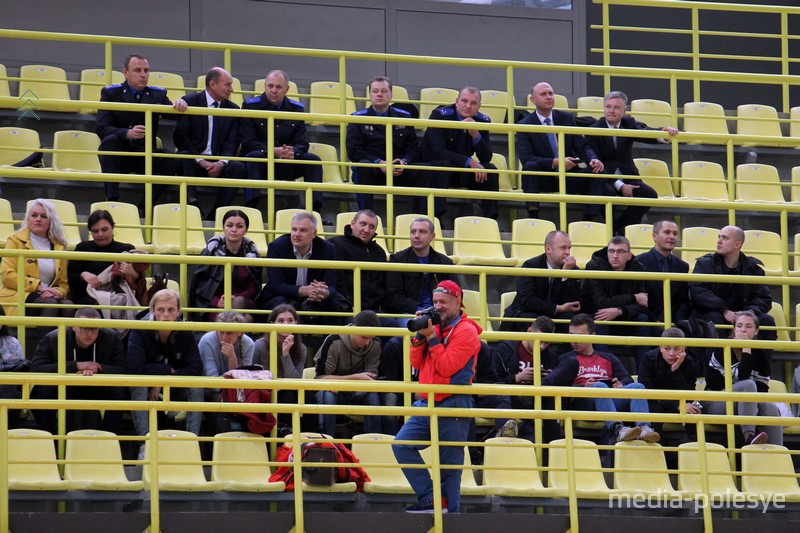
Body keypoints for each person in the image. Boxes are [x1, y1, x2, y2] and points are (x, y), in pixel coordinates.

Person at [392, 280, 480, 514]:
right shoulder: (436, 327)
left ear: (458, 302)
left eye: (443, 302)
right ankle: (431, 498)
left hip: (453, 403)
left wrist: (432, 337)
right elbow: (416, 363)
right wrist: (421, 337)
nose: (438, 307)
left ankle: (451, 515)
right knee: (402, 445)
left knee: (449, 468)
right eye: (435, 302)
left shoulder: (467, 330)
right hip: (427, 401)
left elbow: (447, 367)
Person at [543, 313, 660, 443]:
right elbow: (559, 385)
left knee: (638, 387)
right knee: (599, 386)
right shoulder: (566, 358)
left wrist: (620, 383)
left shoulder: (608, 358)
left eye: (579, 336)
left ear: (592, 336)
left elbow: (627, 379)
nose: (574, 341)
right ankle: (618, 429)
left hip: (607, 399)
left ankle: (645, 428)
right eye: (571, 336)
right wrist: (583, 386)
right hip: (581, 402)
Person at [96, 53, 187, 204]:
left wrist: (181, 104)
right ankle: (112, 199)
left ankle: (145, 206)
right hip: (120, 154)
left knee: (173, 160)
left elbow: (174, 115)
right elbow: (102, 128)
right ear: (125, 72)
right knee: (109, 142)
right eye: (137, 70)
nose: (143, 75)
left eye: (146, 70)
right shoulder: (111, 93)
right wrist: (127, 133)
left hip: (144, 154)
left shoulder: (157, 94)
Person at [586, 91, 677, 234]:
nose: (611, 110)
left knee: (649, 194)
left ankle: (620, 228)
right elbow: (598, 164)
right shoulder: (593, 130)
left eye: (616, 107)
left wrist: (664, 134)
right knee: (607, 193)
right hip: (605, 177)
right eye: (608, 107)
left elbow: (646, 133)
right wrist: (621, 186)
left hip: (628, 174)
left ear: (624, 110)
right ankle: (610, 232)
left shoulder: (629, 123)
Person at [239, 69, 326, 220]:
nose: (273, 91)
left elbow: (302, 142)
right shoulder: (250, 106)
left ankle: (315, 213)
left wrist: (292, 152)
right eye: (270, 86)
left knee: (313, 160)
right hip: (262, 162)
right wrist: (272, 151)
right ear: (265, 86)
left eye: (278, 87)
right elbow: (248, 142)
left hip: (287, 161)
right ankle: (251, 211)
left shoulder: (296, 109)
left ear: (287, 89)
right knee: (254, 157)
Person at [516, 82, 608, 221]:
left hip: (568, 176)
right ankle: (533, 217)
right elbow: (526, 158)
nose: (549, 97)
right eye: (543, 94)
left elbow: (582, 146)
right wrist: (557, 162)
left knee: (599, 171)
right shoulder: (524, 125)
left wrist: (592, 159)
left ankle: (588, 220)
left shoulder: (566, 118)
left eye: (551, 93)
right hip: (545, 177)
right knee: (529, 167)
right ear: (533, 100)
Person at [128, 289, 203, 458]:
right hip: (146, 387)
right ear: (152, 310)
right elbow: (136, 368)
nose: (165, 315)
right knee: (139, 383)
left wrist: (164, 381)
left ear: (179, 312)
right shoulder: (139, 328)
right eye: (161, 310)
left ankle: (192, 443)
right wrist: (166, 371)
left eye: (171, 310)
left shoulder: (185, 331)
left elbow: (195, 368)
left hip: (173, 386)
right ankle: (144, 444)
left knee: (196, 387)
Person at [30, 307, 128, 434]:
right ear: (74, 326)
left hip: (98, 387)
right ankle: (52, 437)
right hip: (64, 387)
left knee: (119, 391)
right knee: (42, 391)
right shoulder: (53, 338)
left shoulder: (111, 337)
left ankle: (108, 436)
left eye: (94, 328)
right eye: (84, 328)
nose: (89, 333)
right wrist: (76, 366)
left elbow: (123, 369)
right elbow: (36, 368)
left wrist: (96, 368)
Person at [346, 76, 432, 213]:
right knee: (361, 167)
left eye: (384, 91)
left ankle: (420, 219)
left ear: (391, 95)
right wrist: (379, 163)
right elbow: (354, 152)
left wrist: (404, 162)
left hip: (399, 170)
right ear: (370, 94)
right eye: (375, 91)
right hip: (374, 170)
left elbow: (414, 149)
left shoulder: (404, 117)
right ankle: (366, 216)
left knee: (426, 169)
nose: (379, 94)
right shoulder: (357, 118)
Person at [172, 67, 246, 218]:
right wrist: (200, 160)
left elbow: (232, 142)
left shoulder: (233, 109)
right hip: (195, 159)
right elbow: (180, 138)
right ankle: (194, 205)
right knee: (183, 157)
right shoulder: (190, 102)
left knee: (238, 168)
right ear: (212, 84)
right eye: (227, 85)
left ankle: (217, 213)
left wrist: (220, 163)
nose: (231, 89)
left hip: (218, 162)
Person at [418, 86, 499, 219]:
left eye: (473, 103)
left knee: (490, 170)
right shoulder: (440, 115)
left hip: (461, 170)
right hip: (437, 169)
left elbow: (486, 157)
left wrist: (475, 134)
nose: (468, 106)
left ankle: (491, 220)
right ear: (457, 101)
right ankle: (437, 219)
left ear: (479, 106)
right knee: (444, 165)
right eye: (464, 101)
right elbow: (439, 151)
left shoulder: (483, 120)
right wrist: (470, 162)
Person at [704, 311, 782, 446]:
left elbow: (763, 387)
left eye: (748, 326)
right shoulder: (722, 349)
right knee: (748, 385)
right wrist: (746, 349)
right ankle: (749, 436)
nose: (743, 330)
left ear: (756, 331)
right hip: (717, 401)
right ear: (734, 329)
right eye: (739, 326)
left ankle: (779, 456)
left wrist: (752, 403)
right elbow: (726, 382)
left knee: (770, 408)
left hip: (747, 404)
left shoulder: (761, 353)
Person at [0, 200, 73, 339]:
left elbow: (63, 284)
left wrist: (57, 292)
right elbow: (6, 276)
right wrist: (39, 287)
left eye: (43, 216)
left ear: (51, 221)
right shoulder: (14, 240)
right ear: (28, 219)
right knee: (50, 304)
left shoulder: (59, 246)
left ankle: (64, 356)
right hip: (19, 294)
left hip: (47, 296)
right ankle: (43, 357)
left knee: (68, 305)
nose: (38, 219)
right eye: (34, 215)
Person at [689, 225, 775, 340]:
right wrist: (724, 310)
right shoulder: (704, 264)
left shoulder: (754, 268)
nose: (719, 241)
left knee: (766, 321)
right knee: (714, 318)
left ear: (737, 244)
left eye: (725, 238)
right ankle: (714, 358)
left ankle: (758, 359)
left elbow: (764, 298)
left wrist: (747, 314)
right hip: (713, 313)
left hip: (743, 315)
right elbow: (698, 292)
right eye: (719, 237)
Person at [581, 235, 651, 368]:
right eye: (611, 251)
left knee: (643, 319)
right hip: (597, 314)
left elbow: (644, 304)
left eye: (620, 251)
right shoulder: (594, 265)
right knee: (601, 318)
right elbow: (600, 303)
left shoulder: (638, 268)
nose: (615, 255)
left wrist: (619, 311)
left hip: (623, 316)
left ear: (629, 255)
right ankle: (604, 371)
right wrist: (633, 297)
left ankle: (644, 375)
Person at [259, 212, 341, 324]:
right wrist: (304, 290)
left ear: (314, 233)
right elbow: (276, 286)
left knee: (332, 304)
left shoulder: (327, 249)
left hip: (313, 299)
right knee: (281, 303)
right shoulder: (277, 247)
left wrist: (323, 292)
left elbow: (331, 285)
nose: (296, 234)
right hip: (281, 296)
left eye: (303, 230)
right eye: (294, 229)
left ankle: (331, 341)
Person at [493, 315, 563, 442]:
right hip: (512, 397)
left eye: (546, 342)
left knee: (551, 402)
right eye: (539, 340)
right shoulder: (504, 349)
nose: (542, 346)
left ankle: (553, 449)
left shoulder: (551, 357)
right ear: (529, 331)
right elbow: (492, 381)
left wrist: (551, 378)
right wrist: (516, 378)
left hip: (540, 398)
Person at [314, 310, 383, 437]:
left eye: (371, 338)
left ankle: (374, 443)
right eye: (364, 337)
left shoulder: (376, 344)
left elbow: (370, 378)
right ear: (354, 328)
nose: (368, 342)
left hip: (359, 390)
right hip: (334, 390)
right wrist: (356, 377)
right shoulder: (333, 341)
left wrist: (342, 381)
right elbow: (320, 378)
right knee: (328, 397)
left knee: (373, 396)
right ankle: (327, 443)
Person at [501, 230, 581, 332]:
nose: (567, 252)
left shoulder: (573, 269)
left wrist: (565, 274)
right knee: (530, 319)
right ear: (548, 249)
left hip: (556, 315)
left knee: (570, 319)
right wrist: (558, 308)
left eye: (569, 248)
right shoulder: (530, 266)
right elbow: (527, 300)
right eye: (563, 248)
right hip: (530, 312)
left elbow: (573, 303)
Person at [189, 209, 261, 322]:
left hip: (244, 301)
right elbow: (200, 286)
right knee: (246, 320)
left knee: (238, 304)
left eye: (239, 226)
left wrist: (232, 298)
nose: (234, 230)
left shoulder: (252, 254)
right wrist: (216, 301)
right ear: (223, 228)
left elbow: (254, 289)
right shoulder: (210, 252)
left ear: (246, 230)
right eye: (229, 225)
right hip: (216, 304)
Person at [253, 304, 314, 430]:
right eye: (280, 321)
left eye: (290, 320)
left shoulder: (301, 348)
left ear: (296, 323)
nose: (286, 324)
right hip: (265, 391)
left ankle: (309, 440)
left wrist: (285, 353)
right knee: (287, 397)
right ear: (272, 323)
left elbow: (294, 380)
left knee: (308, 397)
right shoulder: (259, 345)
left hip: (288, 388)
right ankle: (285, 439)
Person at [384, 217, 453, 328]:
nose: (416, 235)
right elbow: (393, 296)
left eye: (422, 232)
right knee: (415, 329)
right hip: (409, 313)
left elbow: (455, 293)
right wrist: (419, 309)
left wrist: (438, 310)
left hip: (439, 313)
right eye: (413, 232)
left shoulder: (445, 262)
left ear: (433, 236)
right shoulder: (397, 259)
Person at [67, 209, 145, 307]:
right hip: (86, 298)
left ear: (113, 227)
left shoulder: (127, 249)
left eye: (104, 229)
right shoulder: (82, 247)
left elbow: (139, 285)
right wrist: (83, 275)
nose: (100, 234)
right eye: (95, 231)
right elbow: (70, 281)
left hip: (117, 300)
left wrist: (132, 273)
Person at [637, 327, 701, 440]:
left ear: (684, 348)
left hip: (679, 402)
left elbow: (688, 392)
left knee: (694, 411)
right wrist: (677, 405)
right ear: (660, 348)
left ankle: (695, 450)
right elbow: (648, 393)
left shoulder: (690, 362)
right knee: (655, 410)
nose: (671, 353)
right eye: (667, 348)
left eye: (676, 349)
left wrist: (676, 370)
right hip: (656, 403)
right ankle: (656, 451)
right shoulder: (649, 358)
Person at [328, 209, 389, 317]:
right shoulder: (335, 245)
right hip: (345, 309)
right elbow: (338, 280)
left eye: (371, 227)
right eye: (363, 224)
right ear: (352, 224)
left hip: (373, 312)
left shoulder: (379, 252)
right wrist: (349, 304)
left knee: (393, 326)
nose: (366, 230)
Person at [635, 220, 691, 327]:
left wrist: (677, 323)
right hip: (647, 321)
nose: (672, 237)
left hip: (674, 323)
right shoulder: (638, 263)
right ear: (654, 236)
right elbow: (637, 299)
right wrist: (654, 322)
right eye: (667, 232)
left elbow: (683, 301)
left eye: (675, 234)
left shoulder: (682, 266)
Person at [199, 311, 255, 401]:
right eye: (221, 332)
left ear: (240, 332)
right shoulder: (207, 341)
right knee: (221, 398)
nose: (224, 337)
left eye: (229, 333)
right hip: (211, 391)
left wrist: (232, 357)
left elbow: (242, 381)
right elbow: (212, 382)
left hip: (236, 391)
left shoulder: (249, 344)